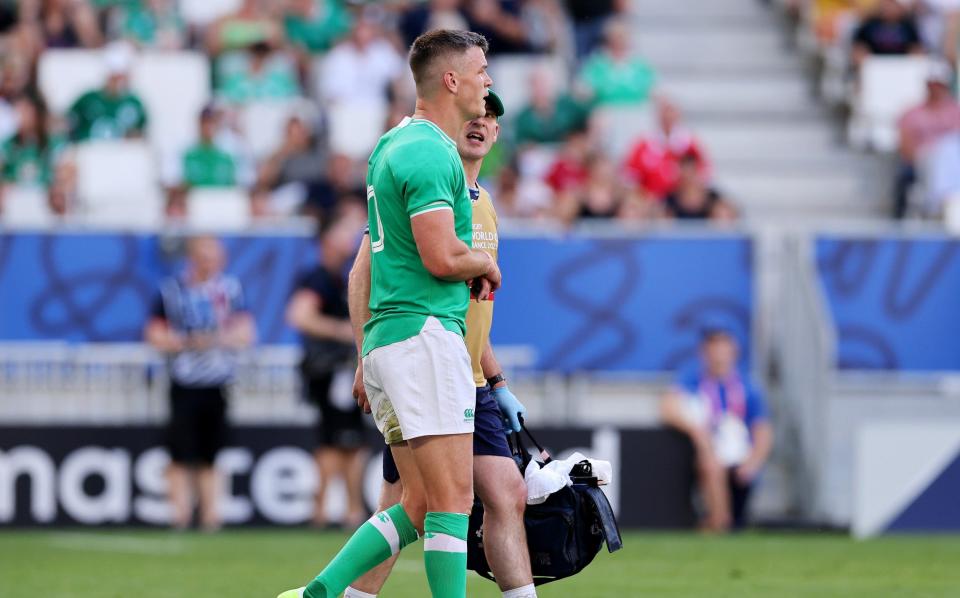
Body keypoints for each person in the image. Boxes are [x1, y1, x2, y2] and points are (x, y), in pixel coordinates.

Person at [278, 29, 498, 598]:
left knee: (419, 504)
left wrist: (363, 353)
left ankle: (318, 593)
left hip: (387, 338)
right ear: (451, 80)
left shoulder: (391, 144)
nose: (487, 82)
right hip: (425, 333)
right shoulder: (431, 150)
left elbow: (363, 270)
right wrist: (483, 262)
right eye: (479, 71)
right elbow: (441, 255)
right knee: (455, 502)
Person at [346, 90, 536, 598]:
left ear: (497, 133)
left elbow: (478, 312)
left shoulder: (486, 203)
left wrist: (497, 381)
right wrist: (364, 355)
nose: (481, 121)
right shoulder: (430, 181)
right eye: (475, 111)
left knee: (504, 493)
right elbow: (364, 271)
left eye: (491, 117)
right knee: (414, 504)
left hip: (465, 372)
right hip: (422, 357)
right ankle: (341, 593)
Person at [144, 236, 256, 531]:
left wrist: (215, 341)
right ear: (192, 257)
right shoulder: (171, 291)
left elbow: (245, 333)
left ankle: (210, 517)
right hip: (184, 382)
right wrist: (188, 342)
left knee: (211, 454)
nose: (210, 262)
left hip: (217, 382)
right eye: (204, 256)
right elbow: (155, 334)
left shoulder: (230, 290)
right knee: (180, 453)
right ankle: (179, 516)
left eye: (214, 256)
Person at [286, 215, 370, 530]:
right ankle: (325, 509)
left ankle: (347, 508)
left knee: (349, 441)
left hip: (339, 368)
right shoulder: (319, 278)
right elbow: (300, 316)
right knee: (334, 441)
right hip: (330, 369)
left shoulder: (337, 277)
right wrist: (343, 330)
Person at [659, 329, 773, 532]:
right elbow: (668, 408)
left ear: (733, 352)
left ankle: (718, 521)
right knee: (710, 462)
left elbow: (762, 430)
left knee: (715, 462)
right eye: (713, 350)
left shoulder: (748, 388)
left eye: (723, 349)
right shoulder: (693, 380)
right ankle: (720, 520)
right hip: (709, 450)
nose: (718, 355)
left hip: (740, 455)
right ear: (704, 353)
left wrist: (753, 462)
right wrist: (697, 431)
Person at [894, 60, 960, 218]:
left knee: (949, 150)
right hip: (924, 160)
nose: (935, 88)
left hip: (953, 162)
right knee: (941, 155)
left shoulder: (956, 111)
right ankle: (939, 203)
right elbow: (905, 146)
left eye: (939, 84)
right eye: (932, 84)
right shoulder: (911, 113)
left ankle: (944, 202)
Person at [623, 97, 710, 202]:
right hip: (650, 201)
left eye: (671, 112)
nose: (668, 117)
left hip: (680, 203)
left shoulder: (689, 143)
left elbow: (703, 173)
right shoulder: (644, 143)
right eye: (664, 112)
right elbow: (630, 176)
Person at [67, 41, 147, 142]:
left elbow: (141, 136)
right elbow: (67, 124)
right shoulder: (88, 100)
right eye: (116, 77)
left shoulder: (134, 103)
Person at [576, 18, 656, 107]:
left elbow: (654, 90)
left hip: (637, 112)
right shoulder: (596, 64)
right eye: (616, 37)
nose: (619, 41)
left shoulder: (641, 64)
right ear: (608, 39)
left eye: (622, 37)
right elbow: (583, 91)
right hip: (605, 112)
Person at [851, 0, 924, 67]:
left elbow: (917, 50)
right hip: (875, 67)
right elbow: (858, 49)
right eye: (887, 4)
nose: (889, 8)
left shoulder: (908, 27)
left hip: (901, 67)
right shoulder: (869, 26)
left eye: (892, 4)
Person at [181, 105, 237, 188]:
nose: (208, 127)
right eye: (205, 123)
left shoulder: (226, 159)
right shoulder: (189, 156)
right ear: (199, 124)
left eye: (212, 123)